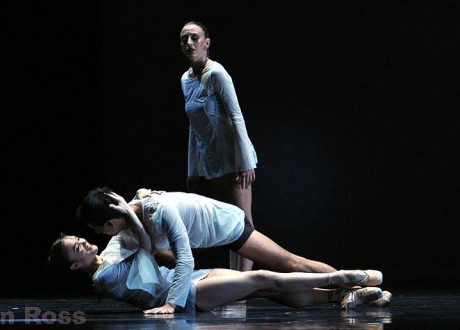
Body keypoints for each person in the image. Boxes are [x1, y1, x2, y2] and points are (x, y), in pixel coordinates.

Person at [77, 188, 385, 314]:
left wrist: (171, 303)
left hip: (227, 227)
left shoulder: (159, 210)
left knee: (291, 263)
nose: (102, 237)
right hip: (209, 242)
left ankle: (351, 287)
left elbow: (183, 258)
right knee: (265, 289)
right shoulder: (130, 223)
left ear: (110, 222)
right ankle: (345, 294)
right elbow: (154, 251)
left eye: (101, 230)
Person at [47, 233, 391, 314]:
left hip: (192, 277)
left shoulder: (111, 247)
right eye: (76, 248)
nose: (82, 243)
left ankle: (341, 296)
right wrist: (132, 211)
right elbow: (144, 244)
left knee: (266, 290)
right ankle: (341, 278)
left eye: (78, 239)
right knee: (262, 279)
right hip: (184, 296)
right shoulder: (102, 278)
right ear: (75, 265)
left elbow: (138, 236)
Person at [179, 21, 257, 272]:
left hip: (234, 159)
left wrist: (245, 162)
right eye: (184, 39)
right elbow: (194, 127)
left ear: (207, 42)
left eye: (194, 37)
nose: (189, 43)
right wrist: (193, 170)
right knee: (230, 226)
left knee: (244, 224)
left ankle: (242, 283)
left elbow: (237, 116)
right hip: (213, 162)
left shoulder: (217, 74)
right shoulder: (186, 80)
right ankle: (235, 281)